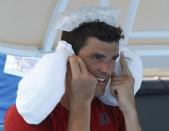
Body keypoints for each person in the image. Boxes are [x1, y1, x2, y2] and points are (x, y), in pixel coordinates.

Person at [4, 8, 142, 131]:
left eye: (113, 59)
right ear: (70, 59)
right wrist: (81, 103)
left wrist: (130, 111)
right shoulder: (22, 117)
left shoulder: (111, 109)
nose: (107, 69)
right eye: (96, 57)